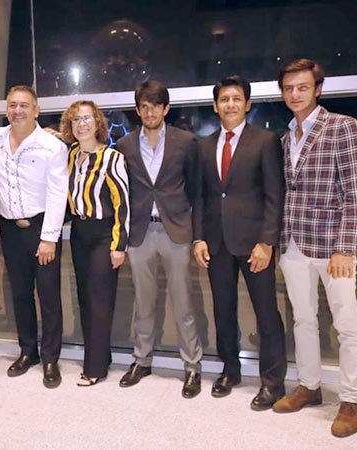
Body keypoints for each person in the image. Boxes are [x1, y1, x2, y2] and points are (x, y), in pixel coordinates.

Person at [272, 59, 357, 438]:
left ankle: (352, 399)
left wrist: (345, 248)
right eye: (289, 88)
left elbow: (354, 191)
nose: (295, 94)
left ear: (318, 89)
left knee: (348, 325)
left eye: (302, 87)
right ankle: (309, 386)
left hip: (334, 246)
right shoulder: (285, 136)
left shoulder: (342, 127)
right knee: (303, 320)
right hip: (293, 243)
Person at [192, 75, 287, 410]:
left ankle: (273, 382)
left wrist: (267, 242)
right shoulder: (204, 146)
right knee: (223, 310)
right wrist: (198, 238)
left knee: (266, 313)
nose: (230, 104)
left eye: (236, 99)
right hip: (216, 243)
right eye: (224, 99)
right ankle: (230, 370)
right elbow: (201, 197)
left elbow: (275, 195)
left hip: (254, 245)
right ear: (215, 106)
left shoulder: (265, 140)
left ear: (247, 104)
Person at [116, 81, 204, 397]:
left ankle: (192, 366)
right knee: (143, 301)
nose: (149, 112)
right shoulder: (124, 145)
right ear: (137, 110)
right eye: (144, 106)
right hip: (140, 233)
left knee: (183, 302)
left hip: (175, 231)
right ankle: (142, 360)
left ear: (166, 109)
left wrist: (197, 235)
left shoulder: (186, 142)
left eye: (155, 105)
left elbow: (196, 191)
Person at [0, 85, 68, 388]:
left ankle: (50, 358)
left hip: (41, 229)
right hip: (10, 230)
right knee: (19, 294)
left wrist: (49, 238)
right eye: (12, 105)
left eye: (24, 105)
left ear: (36, 110)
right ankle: (28, 352)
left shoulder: (52, 146)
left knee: (48, 296)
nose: (17, 110)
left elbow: (58, 194)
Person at [60, 100, 129, 386]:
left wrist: (119, 245)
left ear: (98, 122)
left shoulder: (112, 158)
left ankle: (95, 368)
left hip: (104, 234)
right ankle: (102, 356)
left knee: (100, 300)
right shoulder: (71, 155)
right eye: (76, 119)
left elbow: (123, 204)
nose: (82, 124)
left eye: (87, 118)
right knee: (85, 299)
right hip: (80, 233)